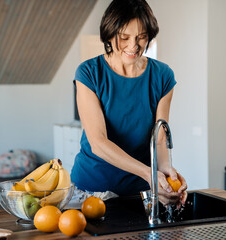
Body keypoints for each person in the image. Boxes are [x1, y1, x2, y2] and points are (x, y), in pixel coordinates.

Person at [71, 0, 187, 206]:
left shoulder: (163, 76)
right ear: (109, 34)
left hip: (140, 192)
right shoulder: (89, 72)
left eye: (141, 37)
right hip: (92, 189)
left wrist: (166, 173)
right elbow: (98, 143)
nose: (133, 46)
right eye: (124, 37)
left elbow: (159, 140)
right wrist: (148, 174)